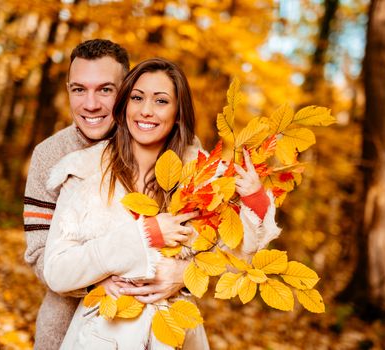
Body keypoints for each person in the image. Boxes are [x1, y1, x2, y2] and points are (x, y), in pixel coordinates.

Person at [43, 58, 282, 349]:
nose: (146, 110)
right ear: (124, 107)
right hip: (102, 336)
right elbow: (57, 271)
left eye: (161, 100)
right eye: (137, 98)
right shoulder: (85, 173)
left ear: (178, 114)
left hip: (175, 337)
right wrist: (143, 236)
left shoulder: (201, 178)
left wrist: (184, 274)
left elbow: (237, 261)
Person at [23, 40, 192, 350]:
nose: (90, 104)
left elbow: (208, 244)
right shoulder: (51, 157)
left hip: (157, 328)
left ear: (126, 90)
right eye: (78, 90)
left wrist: (184, 274)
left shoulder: (165, 145)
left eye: (104, 90)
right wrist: (96, 277)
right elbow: (39, 251)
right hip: (65, 323)